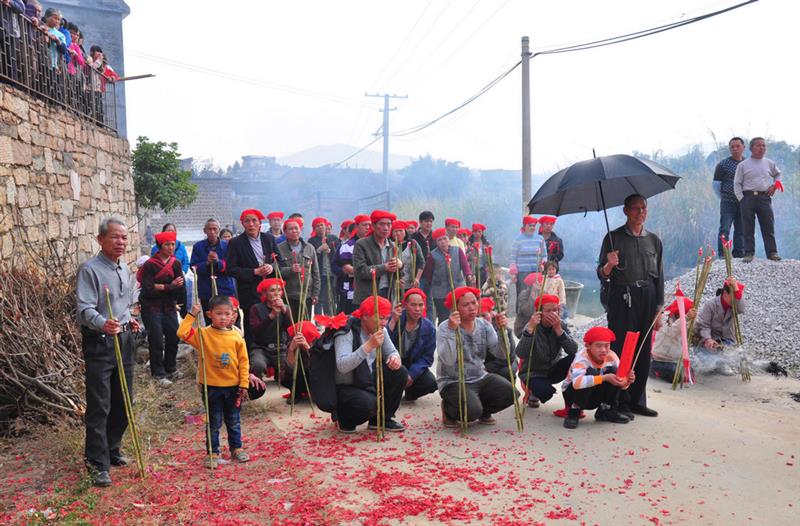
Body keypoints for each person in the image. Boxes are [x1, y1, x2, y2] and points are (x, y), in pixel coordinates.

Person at [76, 218, 140, 487]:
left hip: (124, 339)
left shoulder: (124, 267)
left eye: (124, 238)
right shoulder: (90, 269)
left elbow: (124, 304)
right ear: (101, 239)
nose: (121, 242)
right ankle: (97, 463)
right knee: (100, 404)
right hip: (100, 342)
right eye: (115, 237)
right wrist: (105, 322)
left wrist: (130, 320)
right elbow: (85, 309)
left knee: (124, 400)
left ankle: (112, 448)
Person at [597, 194, 664, 418]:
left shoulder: (653, 240)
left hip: (648, 295)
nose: (640, 212)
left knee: (644, 349)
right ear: (625, 211)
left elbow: (660, 276)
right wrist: (609, 264)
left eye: (643, 208)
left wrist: (659, 307)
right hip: (622, 297)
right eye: (635, 209)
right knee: (623, 348)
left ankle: (637, 400)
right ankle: (618, 401)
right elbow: (602, 275)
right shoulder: (613, 238)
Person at [178, 296, 250, 468]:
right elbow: (181, 333)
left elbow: (244, 362)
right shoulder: (203, 334)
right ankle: (213, 451)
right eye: (219, 314)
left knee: (233, 419)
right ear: (210, 314)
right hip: (211, 386)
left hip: (233, 386)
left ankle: (236, 448)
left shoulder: (236, 337)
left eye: (227, 313)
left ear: (233, 315)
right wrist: (192, 315)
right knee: (214, 421)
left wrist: (244, 383)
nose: (223, 317)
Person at [437, 287, 517, 427]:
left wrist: (502, 331)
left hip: (479, 376)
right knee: (472, 411)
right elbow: (448, 360)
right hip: (454, 381)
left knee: (511, 393)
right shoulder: (445, 327)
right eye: (465, 305)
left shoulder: (484, 325)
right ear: (455, 309)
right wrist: (451, 331)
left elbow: (501, 355)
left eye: (474, 303)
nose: (472, 308)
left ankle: (484, 411)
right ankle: (449, 410)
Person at [333, 296, 408, 433]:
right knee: (368, 404)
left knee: (400, 372)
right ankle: (345, 418)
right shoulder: (346, 331)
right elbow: (342, 366)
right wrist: (368, 346)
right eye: (380, 318)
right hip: (347, 385)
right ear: (366, 316)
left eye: (386, 318)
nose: (384, 323)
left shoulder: (381, 330)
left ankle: (382, 419)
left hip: (366, 379)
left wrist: (394, 358)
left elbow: (392, 351)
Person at [226, 209, 282, 349]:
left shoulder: (269, 239)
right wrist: (254, 271)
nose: (251, 224)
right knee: (252, 321)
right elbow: (231, 269)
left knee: (272, 317)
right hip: (249, 290)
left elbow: (280, 261)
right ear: (242, 224)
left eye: (254, 220)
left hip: (269, 288)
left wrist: (271, 267)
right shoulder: (236, 243)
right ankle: (251, 353)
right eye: (247, 221)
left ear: (260, 223)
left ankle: (273, 350)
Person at [561, 326, 635, 429]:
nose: (604, 350)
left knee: (615, 372)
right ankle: (574, 412)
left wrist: (627, 381)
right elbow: (577, 383)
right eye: (599, 346)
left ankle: (605, 410)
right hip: (573, 394)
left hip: (594, 395)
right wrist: (604, 378)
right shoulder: (581, 358)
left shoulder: (612, 357)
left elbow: (621, 384)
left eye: (607, 346)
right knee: (592, 373)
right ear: (588, 346)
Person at [139, 231, 185, 385]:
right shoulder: (150, 265)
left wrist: (162, 287)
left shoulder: (176, 263)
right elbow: (148, 289)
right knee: (156, 339)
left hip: (169, 307)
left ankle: (170, 368)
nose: (171, 247)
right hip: (151, 307)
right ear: (159, 246)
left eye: (173, 244)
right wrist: (169, 286)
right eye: (167, 244)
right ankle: (158, 374)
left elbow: (180, 286)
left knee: (174, 335)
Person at [515, 295, 577, 409]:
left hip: (553, 369)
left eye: (555, 310)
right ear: (539, 312)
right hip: (533, 372)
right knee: (546, 392)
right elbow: (520, 353)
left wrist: (559, 330)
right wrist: (530, 330)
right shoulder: (532, 326)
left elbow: (573, 349)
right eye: (548, 311)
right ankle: (532, 391)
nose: (553, 314)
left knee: (575, 359)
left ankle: (573, 400)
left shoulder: (561, 324)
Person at [733, 137, 782, 262]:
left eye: (764, 145)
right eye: (759, 145)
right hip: (747, 198)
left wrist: (775, 185)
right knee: (748, 227)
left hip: (764, 197)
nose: (762, 148)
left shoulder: (769, 163)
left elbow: (778, 174)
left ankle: (772, 253)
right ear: (751, 148)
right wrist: (741, 199)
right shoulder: (743, 165)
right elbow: (737, 183)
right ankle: (749, 253)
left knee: (768, 225)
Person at [387, 288, 437, 402]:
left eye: (421, 305)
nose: (417, 309)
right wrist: (393, 321)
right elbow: (384, 342)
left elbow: (427, 358)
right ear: (405, 305)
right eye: (413, 305)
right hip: (394, 363)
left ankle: (410, 394)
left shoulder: (429, 328)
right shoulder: (396, 318)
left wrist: (412, 374)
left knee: (431, 383)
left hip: (413, 364)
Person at [247, 278, 290, 398]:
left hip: (280, 348)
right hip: (261, 348)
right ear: (264, 293)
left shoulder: (286, 307)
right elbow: (255, 331)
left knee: (290, 367)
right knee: (257, 364)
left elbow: (291, 328)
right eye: (272, 290)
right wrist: (271, 316)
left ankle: (281, 376)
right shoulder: (256, 308)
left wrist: (285, 311)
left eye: (279, 290)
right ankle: (256, 388)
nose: (276, 294)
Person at [694, 277, 745, 374]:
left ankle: (722, 364)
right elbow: (704, 325)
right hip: (710, 340)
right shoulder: (711, 305)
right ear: (725, 294)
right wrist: (708, 339)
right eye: (733, 296)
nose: (735, 300)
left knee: (731, 355)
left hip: (727, 340)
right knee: (708, 364)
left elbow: (741, 308)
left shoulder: (733, 307)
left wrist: (736, 289)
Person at [421, 228, 472, 325]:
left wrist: (468, 275)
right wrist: (432, 284)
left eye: (444, 239)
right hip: (440, 291)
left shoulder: (457, 251)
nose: (443, 242)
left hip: (458, 287)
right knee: (444, 317)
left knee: (461, 314)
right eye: (439, 240)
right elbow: (428, 273)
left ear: (448, 239)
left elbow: (465, 265)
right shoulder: (432, 255)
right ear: (436, 242)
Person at [190, 218, 236, 324]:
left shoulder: (227, 245)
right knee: (210, 319)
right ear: (204, 230)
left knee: (227, 320)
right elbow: (193, 267)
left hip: (224, 288)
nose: (212, 232)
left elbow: (231, 266)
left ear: (219, 230)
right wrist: (207, 263)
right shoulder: (198, 246)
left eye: (215, 229)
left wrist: (217, 262)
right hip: (206, 289)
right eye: (209, 229)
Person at [352, 210, 403, 304]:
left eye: (389, 224)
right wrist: (385, 267)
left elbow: (399, 275)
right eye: (382, 224)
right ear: (373, 226)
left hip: (388, 295)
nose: (386, 228)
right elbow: (361, 271)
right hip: (368, 296)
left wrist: (400, 267)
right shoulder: (361, 244)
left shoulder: (393, 246)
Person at [277, 218, 320, 321]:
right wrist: (290, 270)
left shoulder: (309, 248)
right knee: (289, 326)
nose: (294, 231)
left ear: (300, 230)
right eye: (290, 229)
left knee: (305, 325)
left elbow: (315, 273)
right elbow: (276, 272)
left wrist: (315, 294)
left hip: (306, 296)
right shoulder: (279, 248)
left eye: (296, 228)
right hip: (288, 296)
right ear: (285, 232)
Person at [650, 295, 698, 381]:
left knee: (690, 372)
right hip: (660, 359)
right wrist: (686, 318)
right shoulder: (665, 318)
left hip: (675, 361)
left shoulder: (683, 320)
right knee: (674, 374)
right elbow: (672, 332)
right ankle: (654, 371)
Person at [714, 137, 746, 258]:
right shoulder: (723, 165)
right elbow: (716, 185)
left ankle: (739, 253)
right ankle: (723, 255)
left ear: (743, 147)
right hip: (727, 202)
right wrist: (724, 197)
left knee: (741, 229)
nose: (735, 149)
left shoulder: (747, 163)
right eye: (732, 147)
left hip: (743, 202)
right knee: (725, 229)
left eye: (737, 146)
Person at [332, 215, 370, 314]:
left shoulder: (374, 244)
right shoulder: (347, 246)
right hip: (351, 290)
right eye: (364, 225)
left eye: (369, 225)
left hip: (371, 289)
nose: (367, 227)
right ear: (356, 227)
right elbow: (337, 266)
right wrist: (365, 272)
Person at [149, 223, 190, 315]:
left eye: (173, 231)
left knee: (182, 304)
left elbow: (186, 262)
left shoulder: (181, 246)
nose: (171, 232)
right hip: (164, 282)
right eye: (168, 230)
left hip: (179, 279)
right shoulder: (156, 248)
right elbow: (153, 263)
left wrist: (182, 272)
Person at [510, 216, 546, 312]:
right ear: (524, 226)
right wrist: (513, 272)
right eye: (530, 226)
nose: (532, 228)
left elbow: (544, 255)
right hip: (522, 273)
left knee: (536, 293)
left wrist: (543, 263)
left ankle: (535, 314)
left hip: (535, 272)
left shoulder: (540, 239)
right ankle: (521, 315)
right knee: (522, 294)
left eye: (534, 226)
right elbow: (513, 257)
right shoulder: (518, 239)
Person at [308, 216, 341, 316]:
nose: (320, 228)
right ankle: (318, 319)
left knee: (330, 297)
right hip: (320, 274)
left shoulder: (333, 238)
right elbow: (311, 258)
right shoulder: (311, 241)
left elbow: (339, 255)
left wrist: (330, 251)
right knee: (319, 297)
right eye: (317, 226)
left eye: (322, 225)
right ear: (314, 229)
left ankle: (330, 317)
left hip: (332, 273)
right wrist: (319, 250)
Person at [478, 297, 517, 380]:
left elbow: (510, 357)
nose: (481, 319)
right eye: (477, 316)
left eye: (484, 315)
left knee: (507, 372)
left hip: (504, 363)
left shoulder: (503, 329)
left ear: (491, 314)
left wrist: (488, 368)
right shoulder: (473, 331)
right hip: (484, 367)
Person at [467, 223, 490, 287]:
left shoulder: (486, 243)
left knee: (483, 286)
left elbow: (489, 256)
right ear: (472, 232)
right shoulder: (469, 243)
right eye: (475, 231)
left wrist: (489, 266)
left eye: (479, 231)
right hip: (472, 269)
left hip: (483, 268)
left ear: (482, 232)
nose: (477, 233)